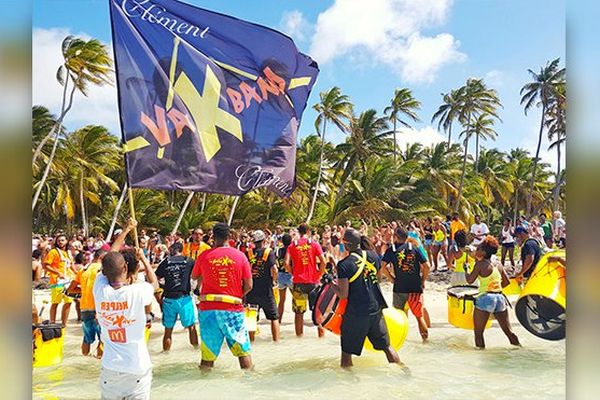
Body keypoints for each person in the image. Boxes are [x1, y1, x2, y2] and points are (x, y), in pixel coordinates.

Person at [328, 229, 401, 367]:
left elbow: (343, 294)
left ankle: (349, 383)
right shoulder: (373, 256)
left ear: (346, 245)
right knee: (387, 347)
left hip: (356, 313)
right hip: (376, 309)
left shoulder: (344, 265)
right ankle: (403, 372)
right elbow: (378, 279)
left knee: (346, 352)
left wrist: (330, 281)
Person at [93, 247, 159, 399]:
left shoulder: (99, 288)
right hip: (137, 368)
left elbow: (110, 261)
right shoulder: (137, 291)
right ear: (125, 268)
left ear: (103, 271)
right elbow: (154, 284)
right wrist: (143, 259)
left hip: (110, 368)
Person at [192, 223, 253, 370]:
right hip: (232, 308)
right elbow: (249, 285)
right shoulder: (240, 256)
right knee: (243, 352)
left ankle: (203, 388)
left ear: (213, 237)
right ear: (229, 236)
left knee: (207, 356)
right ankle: (250, 385)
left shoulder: (203, 256)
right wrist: (238, 294)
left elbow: (194, 276)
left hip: (208, 309)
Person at [465, 236, 520, 349]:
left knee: (479, 334)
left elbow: (470, 280)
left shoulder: (480, 264)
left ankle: (482, 358)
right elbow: (506, 282)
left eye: (479, 248)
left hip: (485, 298)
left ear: (484, 252)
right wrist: (495, 289)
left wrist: (466, 270)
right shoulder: (498, 264)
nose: (477, 250)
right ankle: (519, 349)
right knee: (509, 332)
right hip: (500, 298)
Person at [381, 227, 430, 341]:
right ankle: (426, 342)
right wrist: (422, 280)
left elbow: (382, 266)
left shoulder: (391, 250)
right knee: (419, 317)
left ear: (396, 237)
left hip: (399, 288)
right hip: (415, 288)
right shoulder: (414, 248)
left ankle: (403, 341)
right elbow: (427, 266)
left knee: (400, 317)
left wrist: (391, 278)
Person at [284, 223, 327, 337]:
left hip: (299, 282)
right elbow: (323, 261)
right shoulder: (314, 244)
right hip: (313, 282)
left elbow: (286, 263)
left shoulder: (293, 245)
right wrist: (320, 274)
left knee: (299, 313)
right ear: (308, 232)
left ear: (299, 232)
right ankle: (321, 337)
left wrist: (293, 272)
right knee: (318, 311)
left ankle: (299, 337)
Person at [155, 242, 199, 351]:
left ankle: (165, 354)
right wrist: (198, 288)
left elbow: (156, 277)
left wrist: (160, 291)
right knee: (191, 327)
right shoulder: (189, 261)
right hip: (184, 299)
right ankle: (195, 350)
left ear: (171, 250)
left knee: (168, 330)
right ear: (182, 250)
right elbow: (199, 273)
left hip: (169, 299)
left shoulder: (166, 262)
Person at [244, 230, 280, 342]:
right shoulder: (269, 252)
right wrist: (274, 281)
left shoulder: (248, 253)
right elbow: (274, 269)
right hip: (266, 289)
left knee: (251, 317)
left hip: (251, 290)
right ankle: (276, 341)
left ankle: (251, 342)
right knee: (274, 317)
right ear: (264, 240)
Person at [73, 248, 106, 357]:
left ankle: (84, 357)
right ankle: (99, 361)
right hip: (97, 307)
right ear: (101, 258)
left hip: (84, 307)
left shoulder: (83, 269)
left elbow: (70, 289)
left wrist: (83, 290)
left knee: (86, 338)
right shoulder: (102, 270)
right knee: (103, 338)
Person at [43, 234, 76, 326]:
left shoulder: (68, 253)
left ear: (66, 241)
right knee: (55, 303)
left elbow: (71, 266)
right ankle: (52, 322)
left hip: (68, 280)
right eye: (59, 240)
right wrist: (57, 273)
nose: (60, 242)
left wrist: (77, 274)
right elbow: (45, 265)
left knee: (68, 302)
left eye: (62, 240)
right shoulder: (53, 252)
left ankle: (63, 324)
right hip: (57, 281)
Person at [276, 233, 293, 323]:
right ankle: (298, 318)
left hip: (281, 275)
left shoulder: (279, 250)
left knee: (281, 300)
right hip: (290, 274)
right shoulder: (292, 250)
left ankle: (279, 320)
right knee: (296, 298)